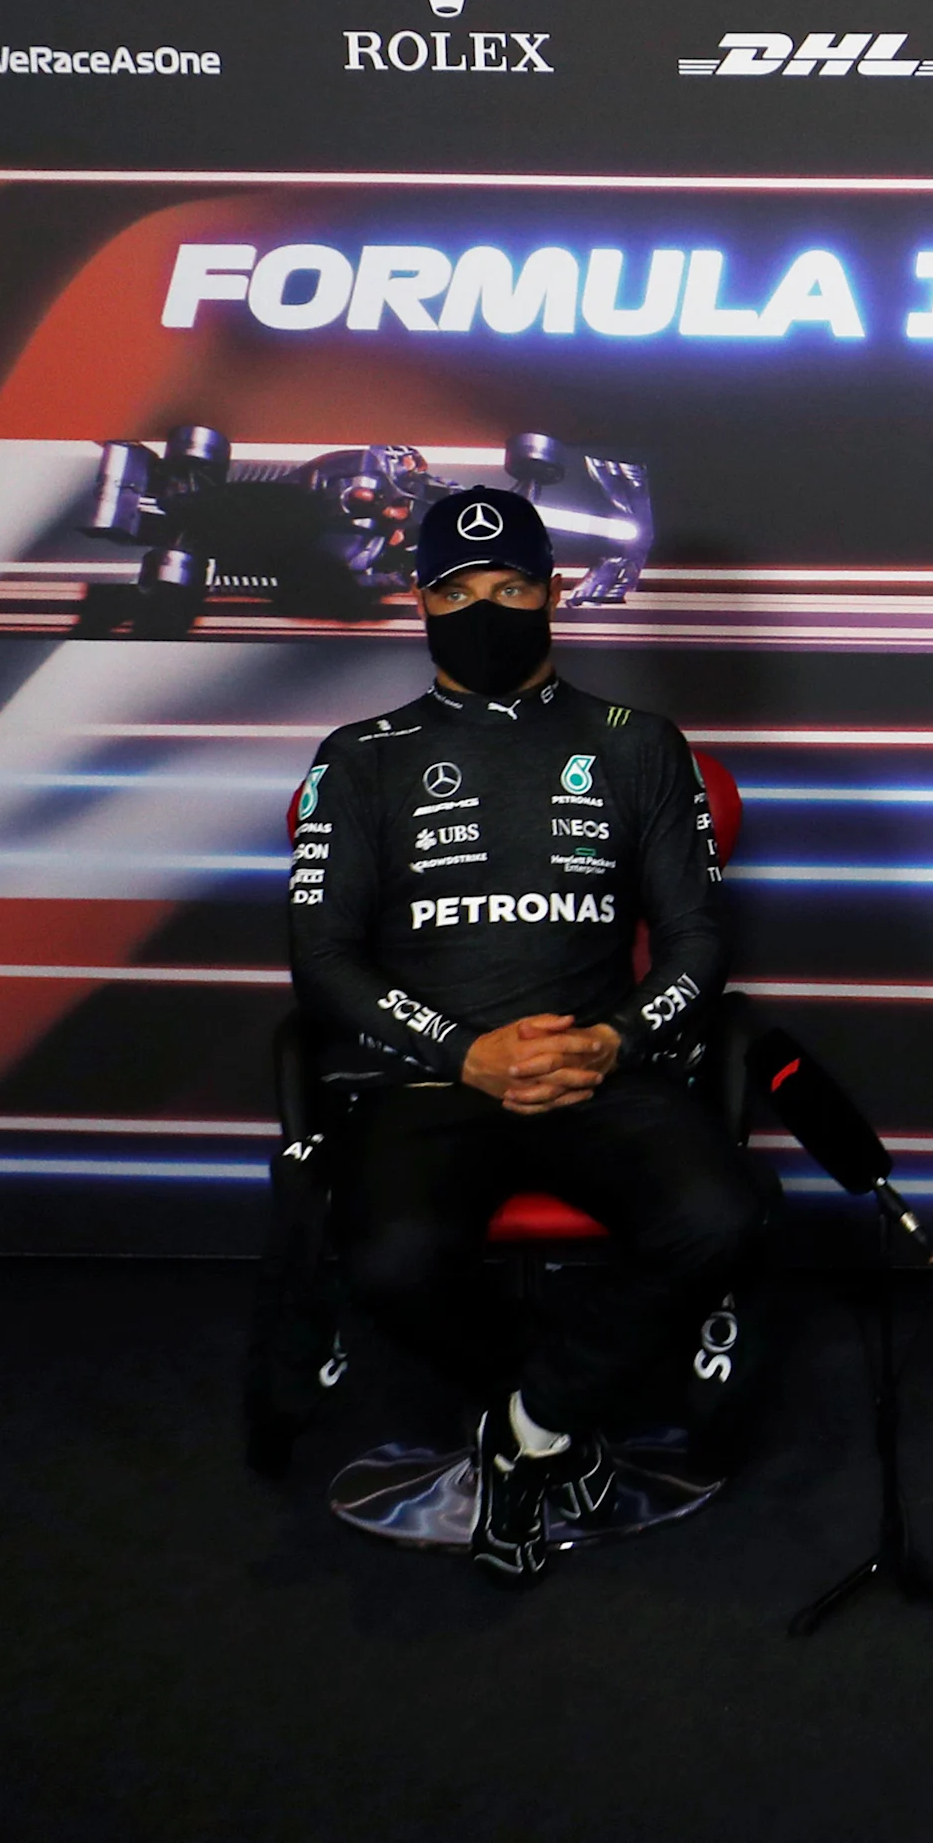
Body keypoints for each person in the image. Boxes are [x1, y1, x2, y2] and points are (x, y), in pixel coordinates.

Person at [287, 486, 748, 1586]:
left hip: (597, 1064)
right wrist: (462, 1051)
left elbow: (698, 946)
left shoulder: (638, 744)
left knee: (721, 1215)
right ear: (421, 601)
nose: (484, 609)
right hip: (428, 1076)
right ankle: (555, 1418)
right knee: (388, 1258)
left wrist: (615, 1040)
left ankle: (528, 1424)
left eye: (510, 588)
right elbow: (323, 964)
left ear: (552, 594)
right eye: (456, 590)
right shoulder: (361, 756)